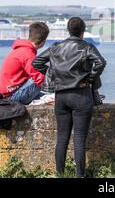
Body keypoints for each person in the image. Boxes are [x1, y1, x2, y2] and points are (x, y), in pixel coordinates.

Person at [32, 17, 106, 178]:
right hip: (81, 95)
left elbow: (36, 62)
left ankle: (61, 175)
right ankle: (80, 176)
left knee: (62, 138)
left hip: (61, 97)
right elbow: (100, 63)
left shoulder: (56, 47)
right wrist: (88, 79)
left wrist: (55, 77)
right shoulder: (86, 47)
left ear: (68, 30)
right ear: (82, 31)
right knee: (79, 140)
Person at [0, 22, 49, 105]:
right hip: (13, 96)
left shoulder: (20, 50)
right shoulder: (27, 53)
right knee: (46, 73)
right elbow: (39, 79)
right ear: (44, 41)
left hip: (9, 94)